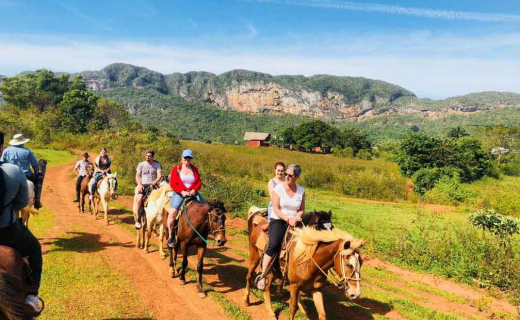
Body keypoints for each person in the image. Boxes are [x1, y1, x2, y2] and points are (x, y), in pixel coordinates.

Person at [0, 131, 43, 313]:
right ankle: (32, 294)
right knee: (34, 249)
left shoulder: (8, 152)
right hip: (7, 230)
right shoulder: (15, 168)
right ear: (0, 147)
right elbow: (20, 203)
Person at [257, 164, 305, 290]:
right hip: (279, 220)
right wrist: (288, 219)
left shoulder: (301, 191)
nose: (287, 177)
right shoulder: (278, 189)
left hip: (295, 221)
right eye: (286, 174)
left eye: (290, 175)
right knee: (274, 244)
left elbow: (301, 209)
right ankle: (263, 274)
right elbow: (276, 209)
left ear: (297, 177)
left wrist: (298, 216)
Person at [167, 149, 205, 248]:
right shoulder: (176, 169)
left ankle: (203, 232)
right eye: (185, 158)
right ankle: (171, 236)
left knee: (206, 208)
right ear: (182, 158)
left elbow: (199, 182)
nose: (187, 159)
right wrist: (182, 192)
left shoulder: (195, 169)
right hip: (180, 193)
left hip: (193, 193)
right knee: (172, 214)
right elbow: (173, 183)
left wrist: (193, 190)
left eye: (189, 158)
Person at [1, 133, 42, 208]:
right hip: (26, 175)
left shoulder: (6, 151)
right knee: (36, 183)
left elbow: (2, 162)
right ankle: (37, 200)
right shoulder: (27, 151)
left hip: (10, 174)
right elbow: (35, 165)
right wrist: (36, 174)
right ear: (23, 142)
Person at [134, 150, 162, 229]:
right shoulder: (141, 164)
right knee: (139, 200)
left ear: (153, 157)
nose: (147, 157)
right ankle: (137, 219)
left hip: (153, 185)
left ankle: (159, 219)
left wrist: (155, 181)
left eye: (149, 156)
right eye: (146, 156)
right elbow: (137, 176)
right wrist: (139, 184)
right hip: (143, 185)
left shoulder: (157, 165)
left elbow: (159, 175)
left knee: (161, 200)